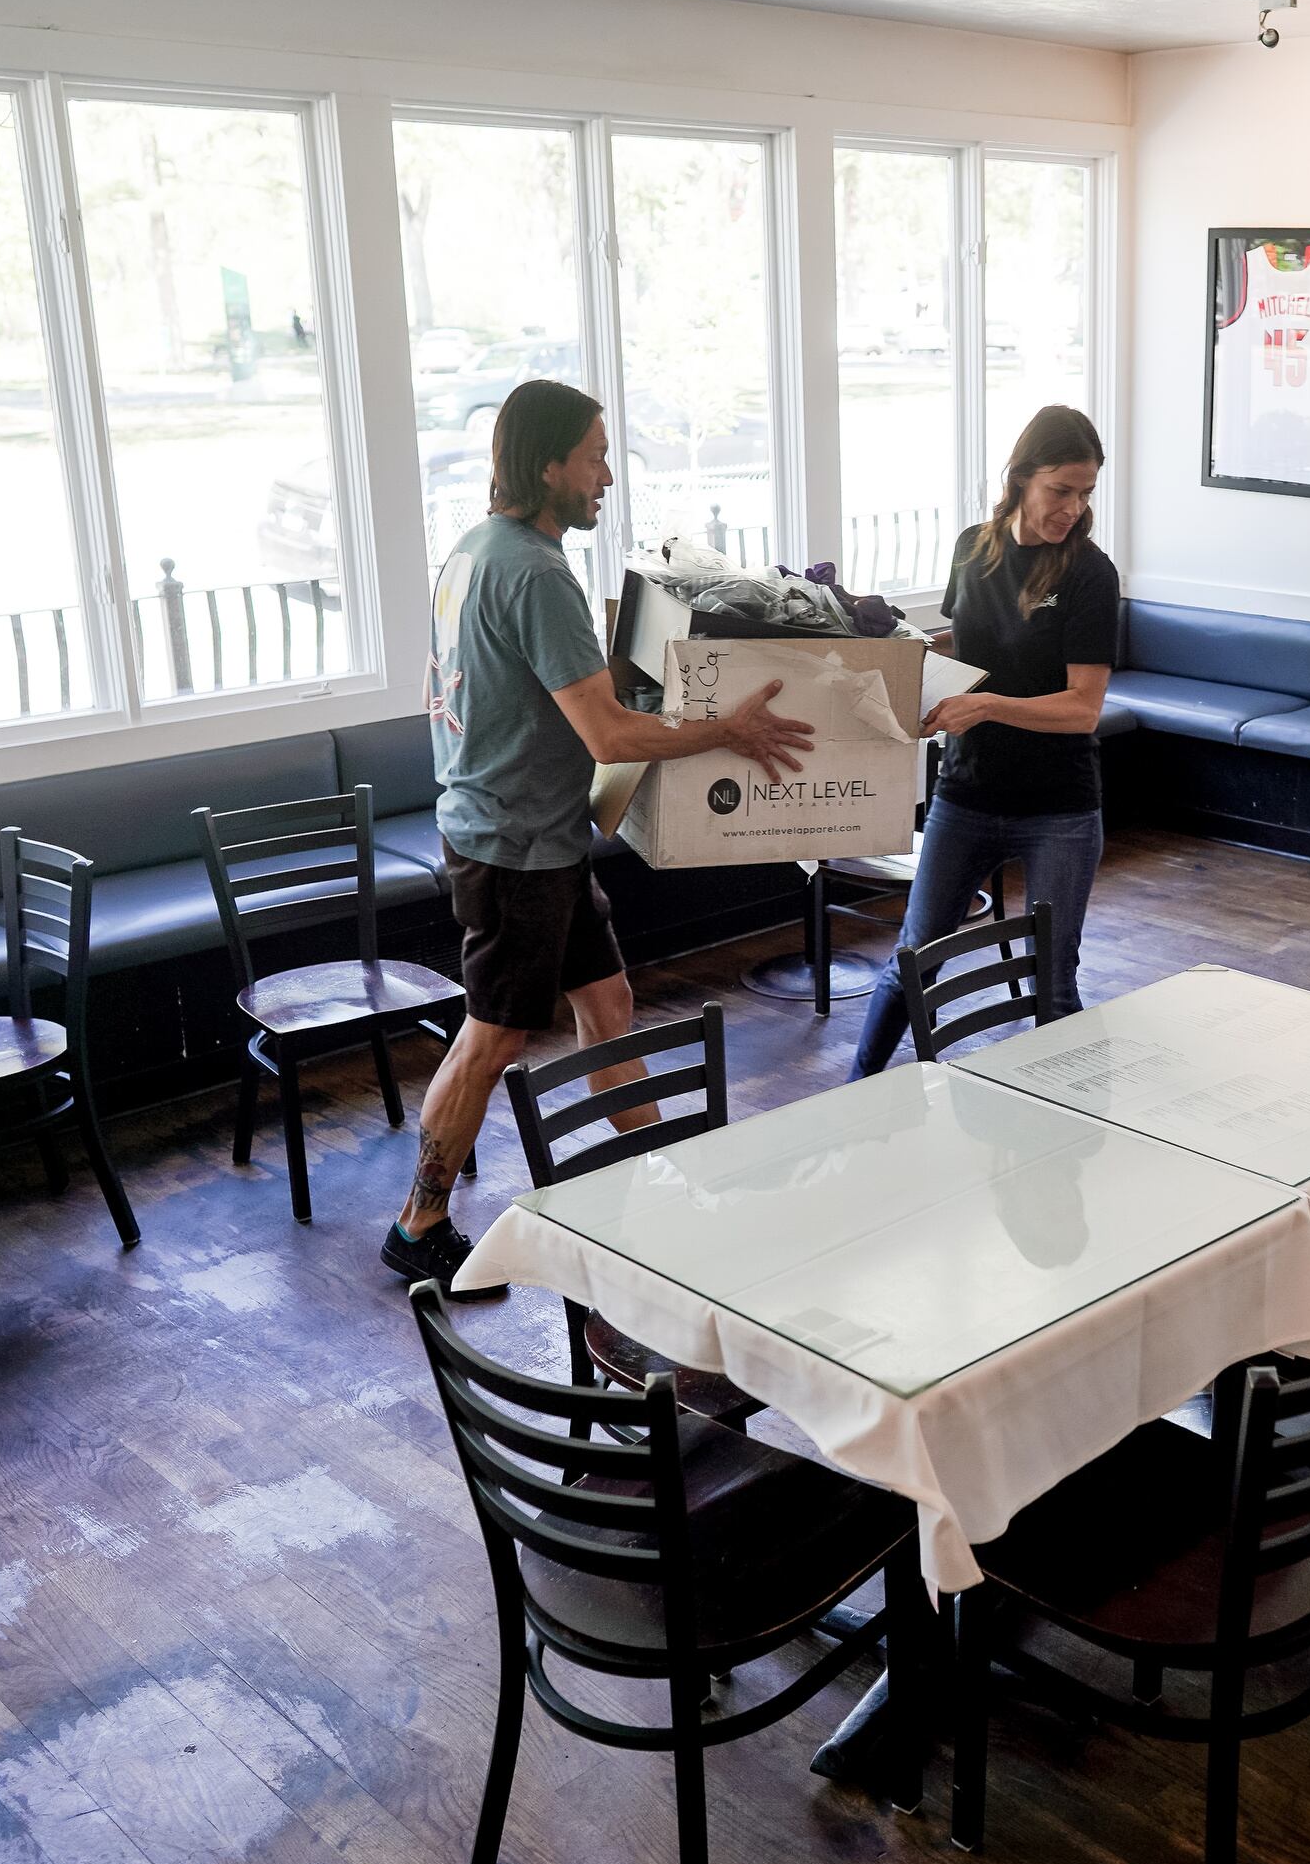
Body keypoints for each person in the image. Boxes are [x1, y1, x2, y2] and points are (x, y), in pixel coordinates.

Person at [387, 378, 814, 1293]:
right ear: (548, 467)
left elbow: (554, 696)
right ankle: (418, 1221)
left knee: (608, 1000)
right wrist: (728, 729)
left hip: (528, 834)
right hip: (513, 850)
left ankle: (650, 1180)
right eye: (594, 457)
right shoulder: (537, 572)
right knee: (493, 1037)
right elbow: (612, 737)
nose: (607, 477)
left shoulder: (474, 549)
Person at [853, 406, 1116, 1076]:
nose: (1073, 507)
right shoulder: (974, 546)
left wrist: (988, 705)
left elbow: (1083, 708)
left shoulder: (1089, 573)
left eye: (1086, 492)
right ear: (1022, 477)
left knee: (1052, 984)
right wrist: (896, 651)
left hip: (1059, 809)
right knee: (913, 960)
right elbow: (965, 641)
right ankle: (853, 1094)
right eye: (1062, 489)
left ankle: (1070, 1136)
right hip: (965, 795)